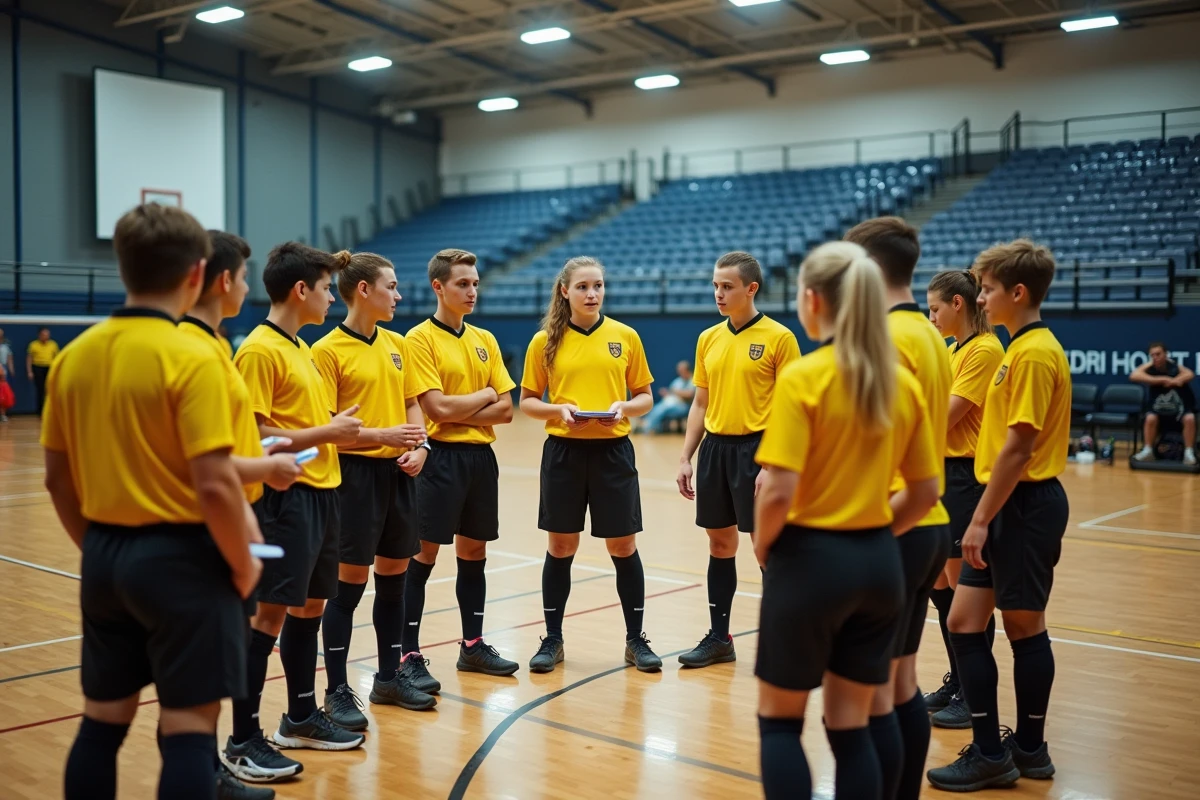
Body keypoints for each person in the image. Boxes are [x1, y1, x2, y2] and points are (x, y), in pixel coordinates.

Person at [43, 203, 261, 800]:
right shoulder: (194, 356)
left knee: (101, 723)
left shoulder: (73, 356)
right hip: (184, 561)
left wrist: (99, 547)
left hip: (106, 555)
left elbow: (57, 482)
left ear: (123, 268)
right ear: (197, 274)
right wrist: (243, 566)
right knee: (191, 728)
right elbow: (216, 484)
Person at [754, 241, 941, 800]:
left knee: (781, 723)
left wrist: (767, 547)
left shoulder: (805, 377)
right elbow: (927, 491)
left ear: (812, 300)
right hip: (880, 565)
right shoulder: (898, 381)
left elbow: (775, 491)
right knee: (852, 728)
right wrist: (879, 531)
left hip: (811, 561)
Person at [927, 240, 1071, 792]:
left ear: (1017, 292)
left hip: (1021, 504)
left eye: (986, 289)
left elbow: (1018, 447)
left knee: (1023, 626)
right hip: (1003, 500)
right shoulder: (1017, 349)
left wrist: (982, 518)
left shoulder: (1032, 353)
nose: (979, 298)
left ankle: (1027, 749)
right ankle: (994, 749)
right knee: (965, 622)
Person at [223, 244, 365, 785]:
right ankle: (241, 739)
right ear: (301, 292)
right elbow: (256, 434)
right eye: (327, 288)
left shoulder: (297, 346)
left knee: (309, 608)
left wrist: (332, 427)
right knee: (269, 617)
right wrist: (328, 433)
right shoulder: (259, 351)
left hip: (322, 491)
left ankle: (300, 717)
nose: (334, 296)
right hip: (287, 497)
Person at [181, 230, 304, 800]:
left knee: (111, 715)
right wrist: (263, 477)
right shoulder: (203, 353)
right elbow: (212, 469)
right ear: (222, 280)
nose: (248, 286)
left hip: (136, 542)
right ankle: (209, 773)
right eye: (243, 276)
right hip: (197, 536)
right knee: (195, 686)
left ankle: (210, 772)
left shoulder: (99, 350)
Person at [845, 216, 951, 800]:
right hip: (928, 520)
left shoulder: (885, 338)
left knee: (872, 694)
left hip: (891, 521)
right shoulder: (933, 335)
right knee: (901, 680)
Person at [519, 256, 661, 673]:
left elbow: (646, 397)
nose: (592, 294)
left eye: (598, 285)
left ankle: (636, 640)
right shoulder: (543, 341)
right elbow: (526, 401)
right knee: (561, 546)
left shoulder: (625, 336)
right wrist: (556, 410)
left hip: (613, 454)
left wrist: (624, 406)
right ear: (565, 291)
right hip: (563, 453)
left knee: (623, 546)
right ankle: (552, 639)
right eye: (582, 287)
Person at [314, 252, 437, 730]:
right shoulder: (326, 351)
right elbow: (327, 426)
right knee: (347, 589)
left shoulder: (397, 344)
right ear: (363, 290)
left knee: (394, 581)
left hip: (399, 475)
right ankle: (337, 690)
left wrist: (420, 445)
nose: (399, 295)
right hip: (354, 478)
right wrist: (383, 438)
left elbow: (412, 404)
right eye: (391, 286)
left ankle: (388, 677)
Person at [402, 249, 520, 694]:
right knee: (423, 555)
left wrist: (466, 406)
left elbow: (508, 411)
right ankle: (407, 654)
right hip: (439, 460)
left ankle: (472, 645)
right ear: (439, 287)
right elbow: (436, 408)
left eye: (474, 283)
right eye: (462, 284)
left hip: (479, 461)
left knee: (474, 554)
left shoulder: (485, 339)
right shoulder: (418, 340)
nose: (472, 291)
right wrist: (486, 393)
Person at [676, 251, 799, 668]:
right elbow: (700, 403)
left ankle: (784, 642)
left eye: (726, 286)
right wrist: (685, 456)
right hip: (716, 450)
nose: (718, 294)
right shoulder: (708, 338)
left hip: (758, 450)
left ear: (751, 289)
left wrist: (771, 464)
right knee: (720, 544)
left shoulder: (780, 338)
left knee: (766, 549)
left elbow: (790, 407)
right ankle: (719, 637)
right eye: (715, 286)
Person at [924, 270, 1006, 731]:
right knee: (939, 584)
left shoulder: (986, 349)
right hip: (941, 472)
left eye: (935, 308)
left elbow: (947, 415)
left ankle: (970, 693)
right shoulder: (953, 349)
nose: (930, 317)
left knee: (963, 595)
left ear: (959, 304)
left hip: (965, 475)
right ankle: (958, 680)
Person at [1131, 342, 1196, 465]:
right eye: (1152, 355)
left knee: (1190, 418)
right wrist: (1161, 379)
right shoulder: (1150, 370)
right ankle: (1148, 451)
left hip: (1178, 411)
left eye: (1158, 354)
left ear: (1166, 354)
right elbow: (1134, 375)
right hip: (1158, 411)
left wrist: (1175, 381)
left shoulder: (1175, 367)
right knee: (1150, 418)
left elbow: (1189, 374)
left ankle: (1189, 453)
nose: (1155, 357)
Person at [636, 360, 694, 434]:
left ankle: (646, 428)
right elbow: (672, 392)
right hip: (671, 403)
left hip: (684, 406)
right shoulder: (678, 381)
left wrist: (676, 392)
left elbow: (690, 394)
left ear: (687, 370)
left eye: (681, 370)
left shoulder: (692, 381)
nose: (679, 372)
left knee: (663, 409)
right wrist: (666, 393)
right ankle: (650, 427)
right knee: (656, 407)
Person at [27, 326, 60, 415]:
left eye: (48, 335)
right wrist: (29, 371)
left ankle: (50, 411)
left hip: (49, 367)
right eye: (44, 335)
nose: (46, 337)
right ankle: (40, 411)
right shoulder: (33, 345)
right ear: (39, 335)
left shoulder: (53, 344)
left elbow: (57, 358)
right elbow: (29, 359)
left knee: (49, 389)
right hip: (38, 367)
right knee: (40, 390)